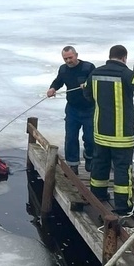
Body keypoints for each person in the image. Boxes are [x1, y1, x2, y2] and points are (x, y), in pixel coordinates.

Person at [83, 45, 134, 216]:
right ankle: (123, 205)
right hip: (121, 135)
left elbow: (88, 95)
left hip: (100, 132)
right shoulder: (125, 74)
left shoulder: (95, 73)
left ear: (110, 56)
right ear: (124, 58)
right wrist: (131, 75)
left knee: (100, 164)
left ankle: (97, 196)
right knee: (122, 169)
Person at [47, 46, 96, 175]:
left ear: (76, 55)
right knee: (70, 138)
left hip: (89, 109)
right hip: (72, 109)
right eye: (65, 59)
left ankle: (89, 157)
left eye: (70, 57)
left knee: (90, 138)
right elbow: (58, 81)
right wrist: (53, 88)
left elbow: (97, 83)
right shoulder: (63, 69)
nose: (68, 61)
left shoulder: (88, 67)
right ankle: (72, 165)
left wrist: (88, 85)